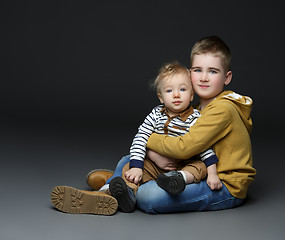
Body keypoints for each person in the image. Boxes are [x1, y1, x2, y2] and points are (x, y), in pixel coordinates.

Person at [87, 35, 256, 214]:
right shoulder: (196, 108)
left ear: (227, 77)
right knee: (128, 159)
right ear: (190, 73)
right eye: (198, 70)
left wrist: (149, 142)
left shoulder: (222, 109)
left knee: (148, 197)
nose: (204, 77)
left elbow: (184, 148)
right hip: (195, 169)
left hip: (222, 184)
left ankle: (126, 185)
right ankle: (111, 188)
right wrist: (152, 155)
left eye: (213, 71)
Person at [51, 61, 221, 214]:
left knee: (200, 167)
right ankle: (123, 195)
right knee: (128, 167)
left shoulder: (196, 118)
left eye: (182, 90)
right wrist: (137, 167)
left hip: (183, 164)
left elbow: (204, 146)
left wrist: (212, 174)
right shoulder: (155, 115)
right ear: (161, 97)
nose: (176, 95)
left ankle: (178, 180)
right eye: (170, 91)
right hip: (155, 165)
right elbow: (140, 138)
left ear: (191, 95)